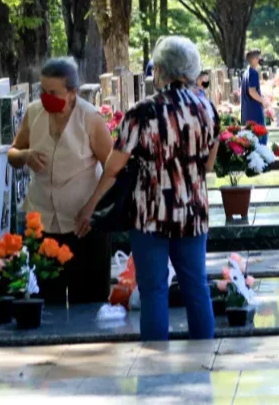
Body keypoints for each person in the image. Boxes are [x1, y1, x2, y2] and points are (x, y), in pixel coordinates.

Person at [75, 36, 220, 342]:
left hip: (149, 213)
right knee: (196, 288)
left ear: (162, 71)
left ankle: (156, 364)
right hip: (192, 211)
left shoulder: (142, 112)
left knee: (153, 290)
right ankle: (204, 357)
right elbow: (208, 166)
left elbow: (114, 167)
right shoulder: (207, 109)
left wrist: (91, 206)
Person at [7, 57, 114, 304]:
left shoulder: (90, 119)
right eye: (42, 90)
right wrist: (25, 155)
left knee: (88, 304)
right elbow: (12, 154)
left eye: (53, 92)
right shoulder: (34, 112)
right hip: (43, 225)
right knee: (46, 303)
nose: (46, 97)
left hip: (84, 226)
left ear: (72, 92)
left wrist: (92, 208)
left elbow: (112, 170)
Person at [240, 49, 268, 144]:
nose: (261, 59)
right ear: (255, 59)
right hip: (254, 110)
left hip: (248, 111)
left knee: (250, 139)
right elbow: (252, 91)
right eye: (260, 57)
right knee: (260, 138)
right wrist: (263, 101)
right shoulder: (253, 73)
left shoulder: (246, 72)